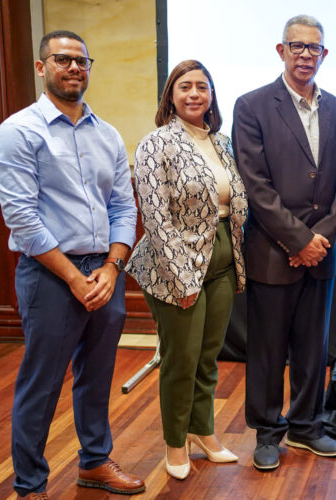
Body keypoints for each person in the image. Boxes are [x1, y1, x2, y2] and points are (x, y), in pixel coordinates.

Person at [0, 30, 145, 498]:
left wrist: (114, 266)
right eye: (62, 59)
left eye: (81, 60)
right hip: (51, 276)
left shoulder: (108, 134)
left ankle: (94, 462)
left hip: (105, 273)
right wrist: (76, 278)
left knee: (96, 376)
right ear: (42, 67)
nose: (74, 68)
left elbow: (123, 206)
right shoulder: (18, 132)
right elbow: (22, 217)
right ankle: (31, 484)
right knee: (42, 383)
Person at [232, 14, 336, 471]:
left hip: (321, 252)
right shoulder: (252, 105)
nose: (306, 55)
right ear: (280, 51)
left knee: (312, 346)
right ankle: (268, 431)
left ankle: (307, 427)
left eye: (314, 48)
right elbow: (254, 183)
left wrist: (319, 238)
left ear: (324, 55)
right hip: (272, 250)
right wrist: (298, 239)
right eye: (296, 46)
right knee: (267, 348)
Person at [126, 60, 248, 480]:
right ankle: (175, 443)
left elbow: (231, 203)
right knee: (181, 358)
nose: (195, 94)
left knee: (208, 356)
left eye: (202, 86)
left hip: (222, 259)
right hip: (173, 264)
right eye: (185, 87)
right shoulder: (155, 143)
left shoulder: (222, 142)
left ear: (211, 95)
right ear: (171, 95)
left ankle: (203, 431)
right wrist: (181, 278)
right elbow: (156, 219)